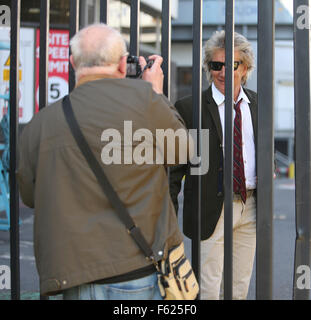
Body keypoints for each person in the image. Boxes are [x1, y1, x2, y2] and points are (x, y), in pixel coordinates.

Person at [17, 23, 190, 300]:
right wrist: (156, 93)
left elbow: (29, 194)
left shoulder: (41, 123)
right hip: (136, 269)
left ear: (72, 62)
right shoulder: (144, 101)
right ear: (123, 64)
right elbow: (183, 152)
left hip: (72, 275)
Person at [170, 30, 257, 300]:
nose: (222, 72)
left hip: (250, 206)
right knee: (207, 288)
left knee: (239, 286)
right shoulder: (189, 108)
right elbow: (174, 170)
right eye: (215, 65)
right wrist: (168, 218)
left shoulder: (258, 103)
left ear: (245, 68)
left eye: (230, 65)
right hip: (210, 208)